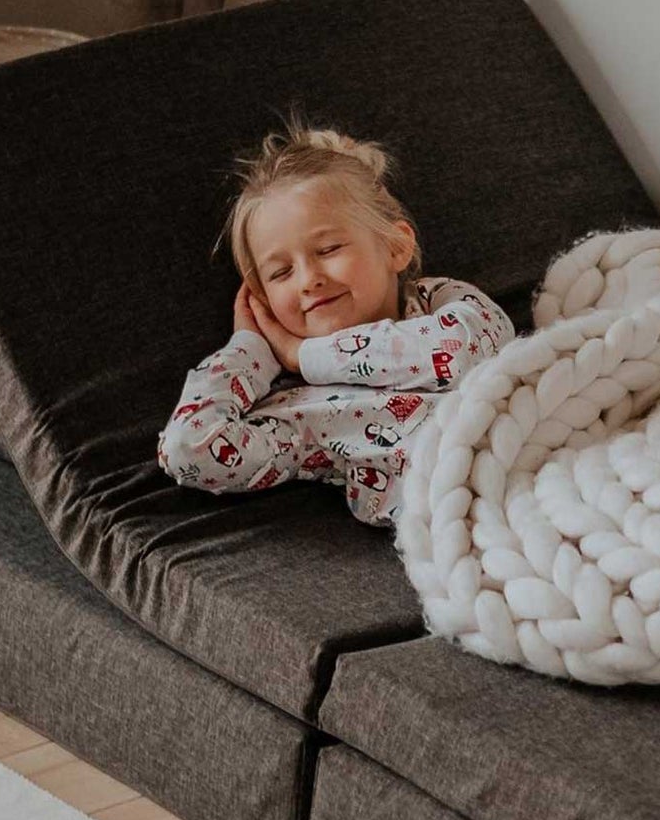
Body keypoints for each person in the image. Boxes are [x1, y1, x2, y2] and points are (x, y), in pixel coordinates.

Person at [157, 123, 513, 525]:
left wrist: (302, 354)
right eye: (280, 273)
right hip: (474, 514)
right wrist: (249, 348)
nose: (309, 279)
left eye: (328, 249)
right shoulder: (303, 412)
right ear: (262, 300)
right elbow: (189, 448)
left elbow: (473, 348)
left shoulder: (438, 303)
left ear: (395, 247)